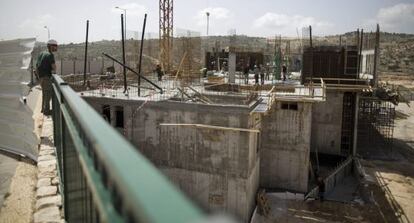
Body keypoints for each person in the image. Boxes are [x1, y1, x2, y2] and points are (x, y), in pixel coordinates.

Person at [36, 39, 58, 116]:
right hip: (46, 77)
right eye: (55, 46)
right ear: (50, 46)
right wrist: (54, 72)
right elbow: (54, 67)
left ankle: (43, 109)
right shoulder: (50, 55)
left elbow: (37, 65)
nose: (56, 47)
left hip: (41, 77)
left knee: (44, 93)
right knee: (48, 93)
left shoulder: (42, 53)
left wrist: (39, 77)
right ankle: (46, 111)